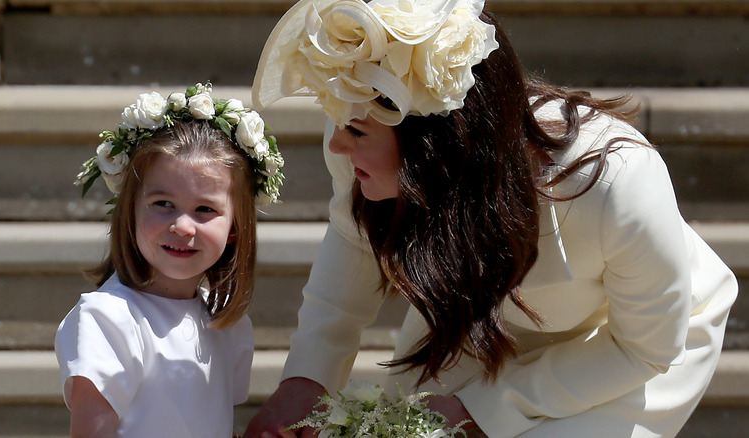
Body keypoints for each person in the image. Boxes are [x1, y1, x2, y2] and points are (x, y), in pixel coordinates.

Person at [245, 1, 738, 437]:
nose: (336, 145)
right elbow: (353, 248)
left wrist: (482, 408)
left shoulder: (617, 183)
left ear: (436, 144)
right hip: (479, 309)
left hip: (628, 345)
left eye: (354, 130)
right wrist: (306, 381)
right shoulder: (362, 132)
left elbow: (645, 349)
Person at [55, 83, 284, 437]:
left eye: (205, 209)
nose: (181, 226)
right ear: (130, 210)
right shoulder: (109, 320)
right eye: (163, 204)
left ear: (236, 227)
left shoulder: (225, 323)